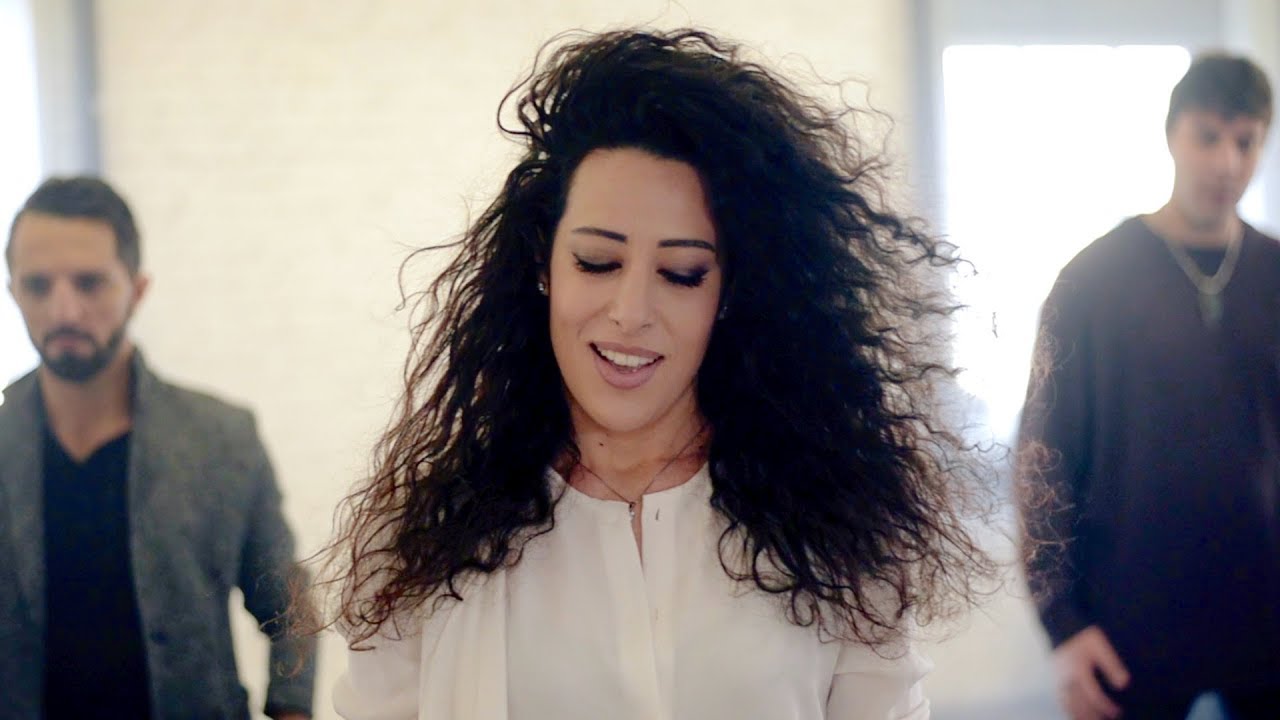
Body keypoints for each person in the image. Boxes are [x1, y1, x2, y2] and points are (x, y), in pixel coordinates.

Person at [322, 28, 990, 719]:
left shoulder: (837, 528)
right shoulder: (424, 536)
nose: (631, 312)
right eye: (597, 262)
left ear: (728, 292)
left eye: (681, 273)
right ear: (542, 265)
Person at [1018, 52, 1280, 720]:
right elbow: (1042, 455)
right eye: (1207, 137)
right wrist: (1062, 623)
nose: (1226, 163)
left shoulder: (1275, 273)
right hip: (1129, 616)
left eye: (1246, 141)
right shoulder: (1092, 280)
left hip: (1265, 612)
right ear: (1171, 135)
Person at [0, 176, 317, 718]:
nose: (64, 310)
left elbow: (290, 606)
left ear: (137, 289)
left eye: (89, 283)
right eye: (38, 285)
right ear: (13, 293)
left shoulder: (220, 439)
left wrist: (292, 710)